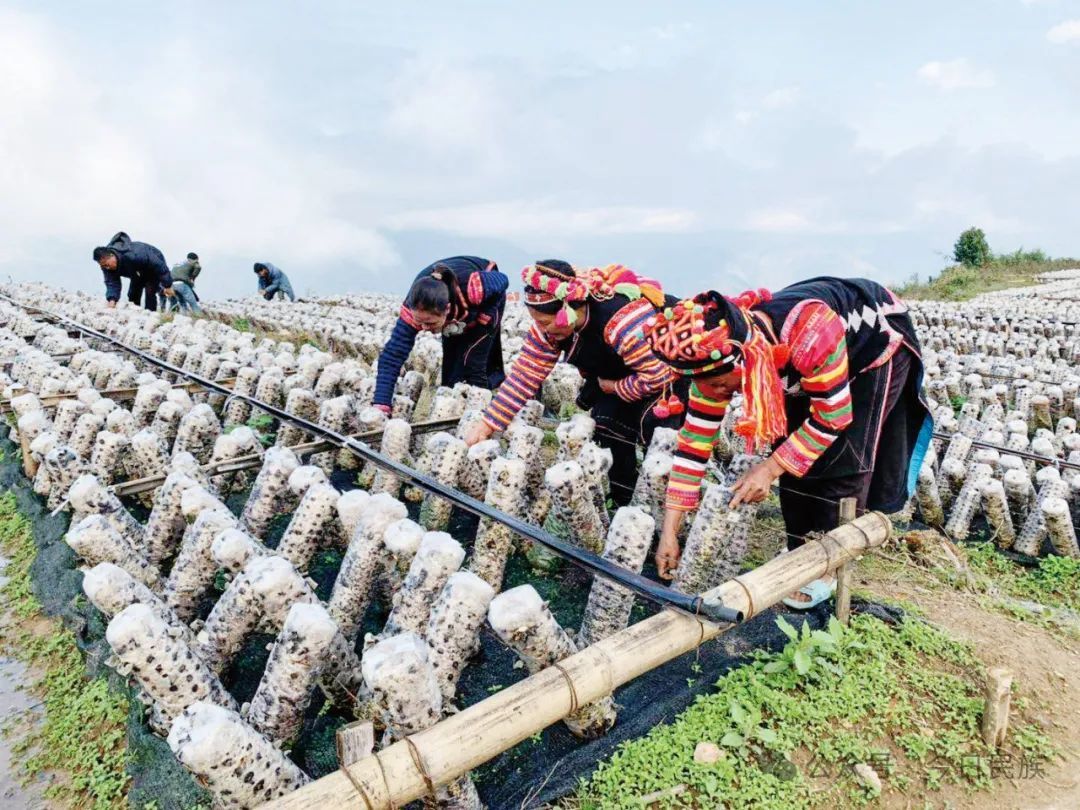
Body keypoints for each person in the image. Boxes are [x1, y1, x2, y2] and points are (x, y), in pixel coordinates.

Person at [645, 277, 932, 608]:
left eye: (724, 384)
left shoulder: (810, 331)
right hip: (805, 361)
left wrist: (768, 470)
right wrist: (670, 532)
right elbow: (693, 448)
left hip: (871, 346)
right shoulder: (709, 366)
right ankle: (801, 549)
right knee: (789, 448)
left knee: (843, 454)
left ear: (747, 360)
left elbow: (834, 416)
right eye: (711, 387)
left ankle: (829, 565)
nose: (721, 393)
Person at [464, 260, 686, 505]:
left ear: (567, 310)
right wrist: (488, 423)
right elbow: (525, 374)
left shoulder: (624, 322)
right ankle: (624, 502)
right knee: (608, 428)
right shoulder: (547, 330)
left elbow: (660, 374)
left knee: (659, 440)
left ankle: (663, 506)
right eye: (537, 322)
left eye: (545, 322)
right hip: (613, 373)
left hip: (664, 375)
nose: (542, 329)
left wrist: (616, 388)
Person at [374, 257, 509, 414]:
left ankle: (481, 408)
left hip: (485, 298)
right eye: (419, 322)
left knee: (474, 359)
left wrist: (486, 314)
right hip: (452, 306)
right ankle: (452, 402)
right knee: (452, 365)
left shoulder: (475, 287)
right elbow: (392, 355)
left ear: (447, 309)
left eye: (430, 323)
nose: (424, 328)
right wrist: (381, 403)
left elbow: (503, 280)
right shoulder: (414, 306)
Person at [92, 232, 174, 311]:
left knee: (150, 291)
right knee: (133, 294)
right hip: (135, 271)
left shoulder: (134, 255)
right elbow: (112, 283)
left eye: (107, 265)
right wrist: (112, 300)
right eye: (103, 266)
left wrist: (167, 285)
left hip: (152, 264)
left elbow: (158, 265)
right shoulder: (106, 267)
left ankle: (150, 315)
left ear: (111, 256)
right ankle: (135, 314)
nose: (107, 268)